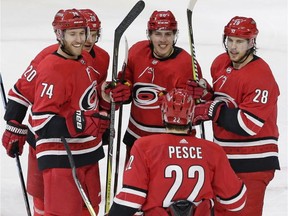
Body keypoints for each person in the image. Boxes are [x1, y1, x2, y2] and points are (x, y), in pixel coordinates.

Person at [2, 8, 112, 216]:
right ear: (60, 35)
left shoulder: (87, 60)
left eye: (85, 33)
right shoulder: (50, 65)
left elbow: (86, 100)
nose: (82, 40)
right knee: (49, 206)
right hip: (60, 153)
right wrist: (13, 122)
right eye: (73, 34)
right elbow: (42, 117)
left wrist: (105, 101)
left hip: (86, 150)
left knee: (89, 210)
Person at [189, 16, 280, 216]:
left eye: (239, 42)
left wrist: (211, 109)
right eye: (230, 40)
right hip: (224, 159)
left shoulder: (260, 75)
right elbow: (224, 100)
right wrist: (205, 93)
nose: (233, 47)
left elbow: (248, 124)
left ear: (251, 43)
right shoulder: (220, 64)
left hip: (253, 162)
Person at [108, 88, 247, 216]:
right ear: (191, 115)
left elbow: (131, 199)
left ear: (163, 113)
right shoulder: (213, 150)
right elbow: (236, 202)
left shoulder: (144, 146)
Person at [115, 10, 202, 159]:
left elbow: (194, 107)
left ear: (175, 35)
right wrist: (122, 88)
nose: (163, 40)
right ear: (149, 34)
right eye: (158, 34)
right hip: (137, 136)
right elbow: (127, 82)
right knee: (133, 182)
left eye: (168, 34)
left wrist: (197, 96)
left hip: (170, 142)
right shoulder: (137, 52)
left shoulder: (186, 64)